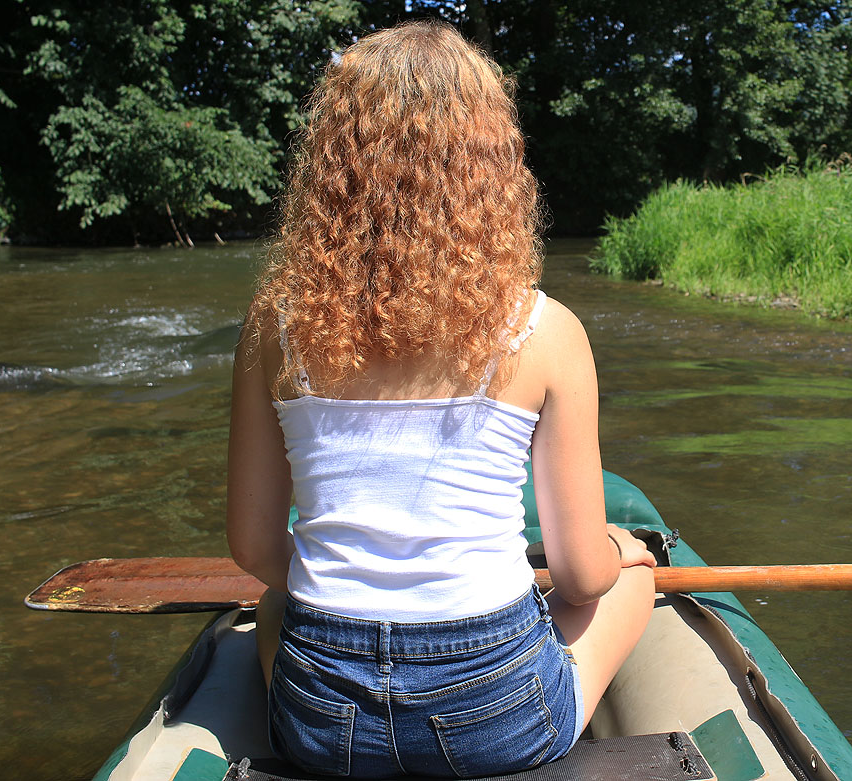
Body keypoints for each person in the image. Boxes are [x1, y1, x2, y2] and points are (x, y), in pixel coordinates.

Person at [226, 20, 656, 779]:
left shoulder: (275, 326)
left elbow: (256, 549)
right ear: (491, 166)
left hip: (327, 724)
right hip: (491, 716)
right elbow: (581, 578)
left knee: (269, 608)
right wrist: (623, 552)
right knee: (633, 582)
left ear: (331, 166)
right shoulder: (546, 331)